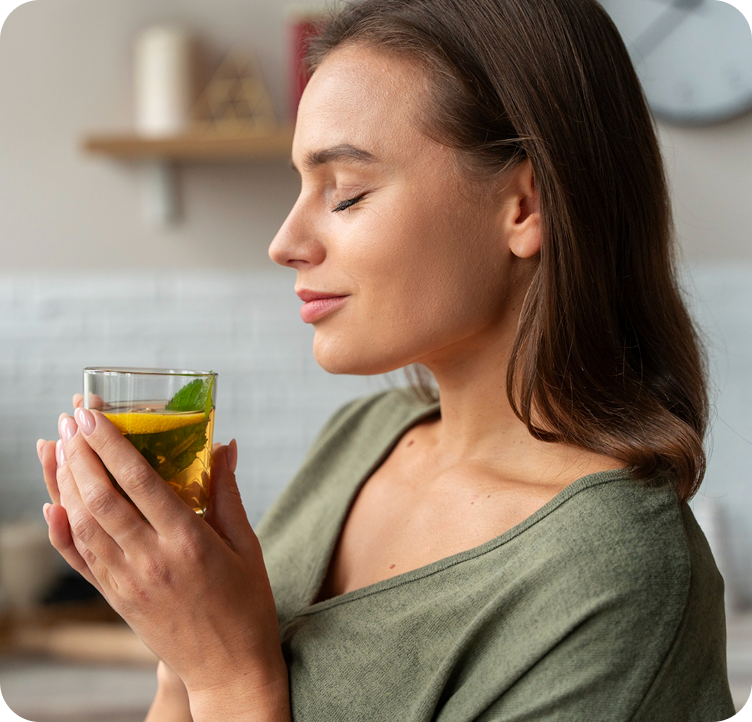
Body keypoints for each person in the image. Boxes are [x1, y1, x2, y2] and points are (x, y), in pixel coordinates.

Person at [37, 0, 736, 720]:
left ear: (525, 205)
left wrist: (226, 675)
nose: (284, 243)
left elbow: (225, 678)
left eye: (346, 193)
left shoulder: (616, 578)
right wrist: (176, 633)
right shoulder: (363, 437)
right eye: (300, 187)